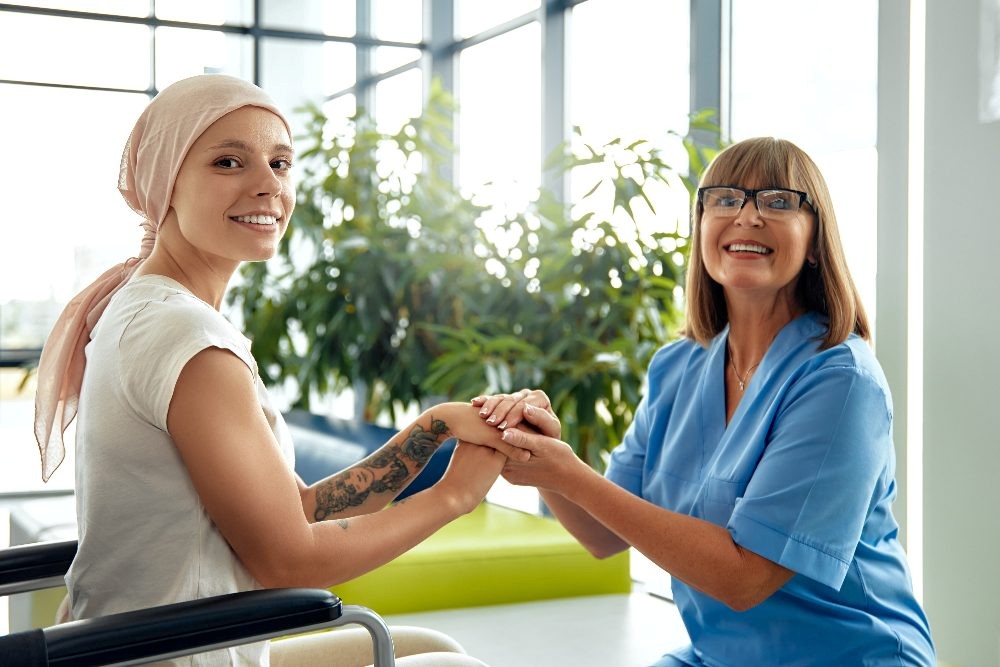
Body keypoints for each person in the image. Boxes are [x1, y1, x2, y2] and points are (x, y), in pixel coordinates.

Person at [33, 74, 530, 666]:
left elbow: (299, 509)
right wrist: (455, 496)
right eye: (228, 162)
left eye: (280, 163)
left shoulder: (146, 306)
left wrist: (435, 429)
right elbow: (289, 561)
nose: (268, 185)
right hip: (177, 652)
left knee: (431, 648)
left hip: (136, 647)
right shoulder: (187, 339)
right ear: (165, 184)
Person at [474, 137, 936, 666]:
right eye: (725, 199)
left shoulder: (842, 381)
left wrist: (571, 474)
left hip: (849, 656)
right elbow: (601, 536)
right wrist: (538, 454)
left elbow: (744, 578)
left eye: (778, 201)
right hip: (718, 656)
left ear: (815, 243)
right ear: (702, 228)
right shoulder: (677, 367)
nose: (747, 216)